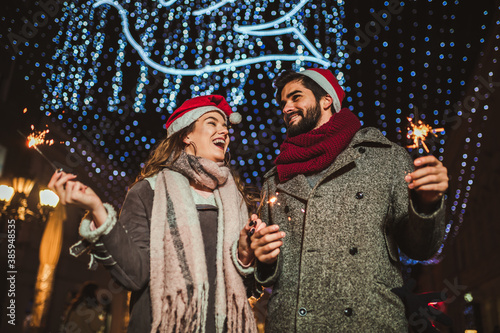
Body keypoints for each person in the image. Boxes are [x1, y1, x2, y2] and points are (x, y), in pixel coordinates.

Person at [248, 68, 448, 332]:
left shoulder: (386, 158)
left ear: (326, 100)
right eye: (283, 102)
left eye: (296, 97)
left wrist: (427, 204)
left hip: (370, 321)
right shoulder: (275, 177)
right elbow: (265, 268)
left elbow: (421, 249)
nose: (287, 107)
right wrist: (262, 257)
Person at [49, 95, 258, 333]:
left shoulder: (236, 201)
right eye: (212, 122)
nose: (224, 131)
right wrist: (97, 208)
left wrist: (246, 256)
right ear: (186, 135)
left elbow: (248, 288)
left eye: (225, 126)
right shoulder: (149, 191)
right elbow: (134, 275)